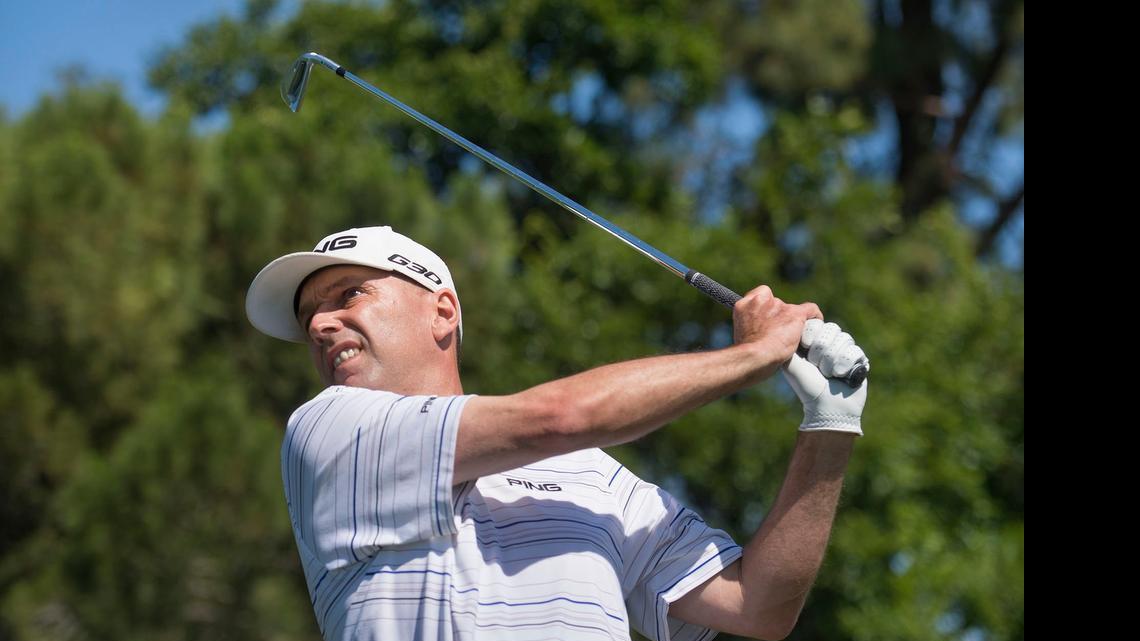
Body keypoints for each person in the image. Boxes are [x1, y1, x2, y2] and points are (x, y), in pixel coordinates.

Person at [245, 225, 868, 641]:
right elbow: (561, 417)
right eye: (310, 316)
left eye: (348, 294)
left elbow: (756, 605)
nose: (321, 324)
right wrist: (756, 354)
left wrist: (830, 426)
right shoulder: (328, 431)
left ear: (443, 311)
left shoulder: (590, 475)